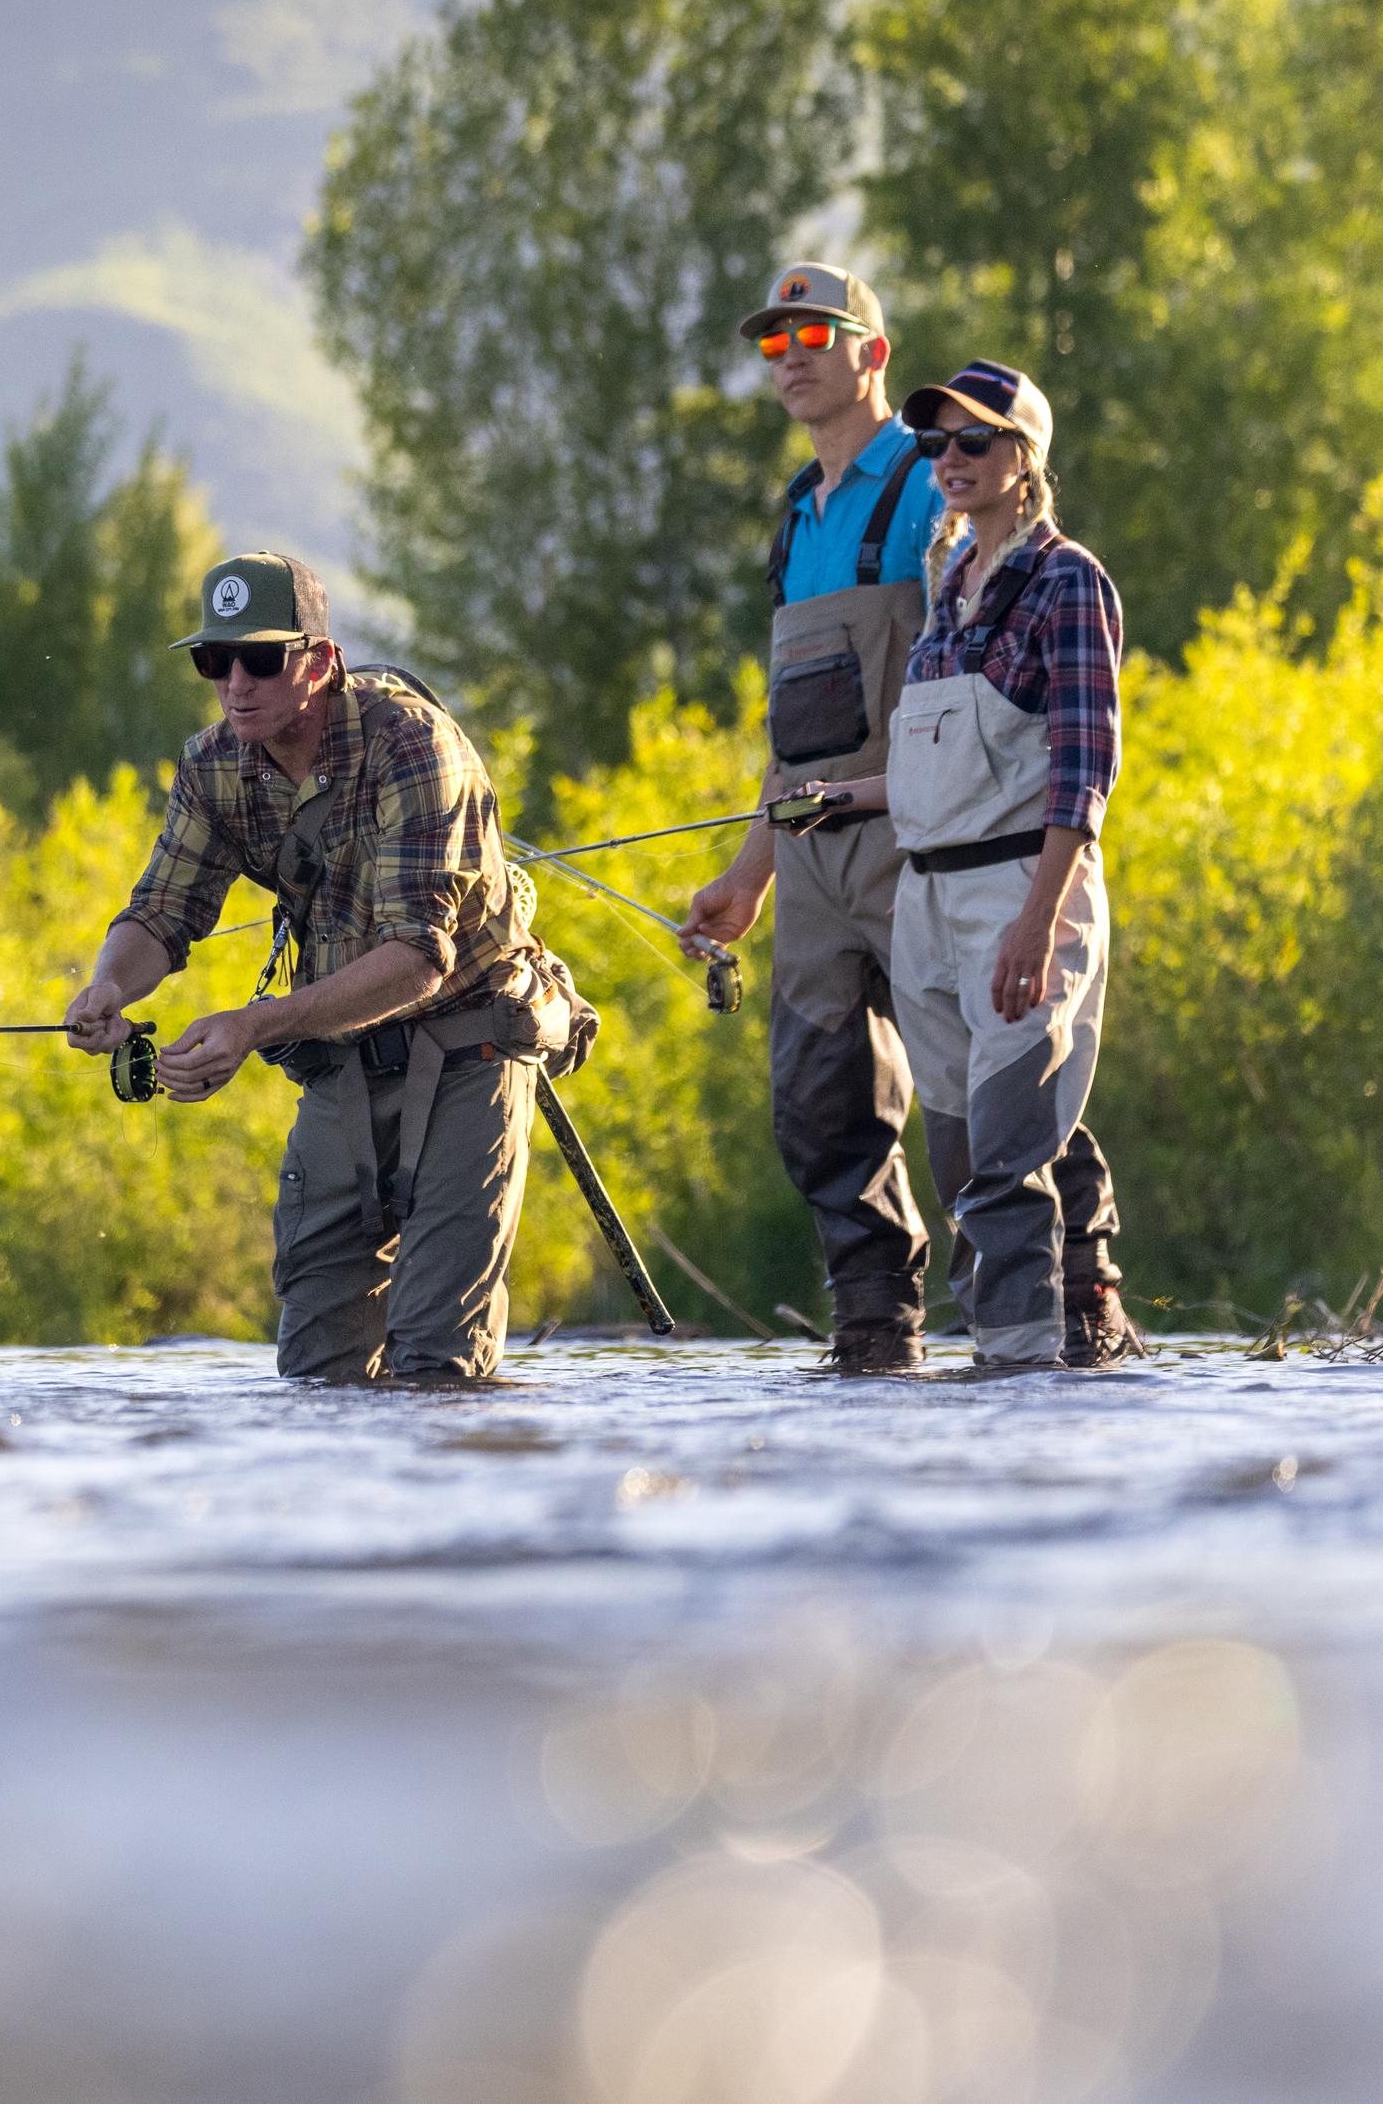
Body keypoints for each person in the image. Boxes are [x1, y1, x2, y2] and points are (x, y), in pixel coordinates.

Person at [680, 268, 1126, 1373]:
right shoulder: (797, 511)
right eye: (774, 341)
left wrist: (1038, 892)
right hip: (824, 834)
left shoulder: (937, 496)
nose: (790, 356)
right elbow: (791, 716)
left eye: (814, 335)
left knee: (1005, 1088)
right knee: (820, 1094)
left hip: (950, 841)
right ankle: (875, 1328)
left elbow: (1039, 707)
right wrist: (752, 869)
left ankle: (1081, 1302)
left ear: (870, 352)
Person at [64, 551, 586, 1384]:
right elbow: (161, 914)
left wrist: (251, 1026)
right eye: (214, 661)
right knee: (315, 1378)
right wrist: (107, 988)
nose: (237, 682)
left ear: (321, 659)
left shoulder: (416, 747)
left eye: (262, 658)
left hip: (470, 1045)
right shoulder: (211, 768)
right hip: (342, 1064)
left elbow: (420, 959)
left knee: (433, 1369)